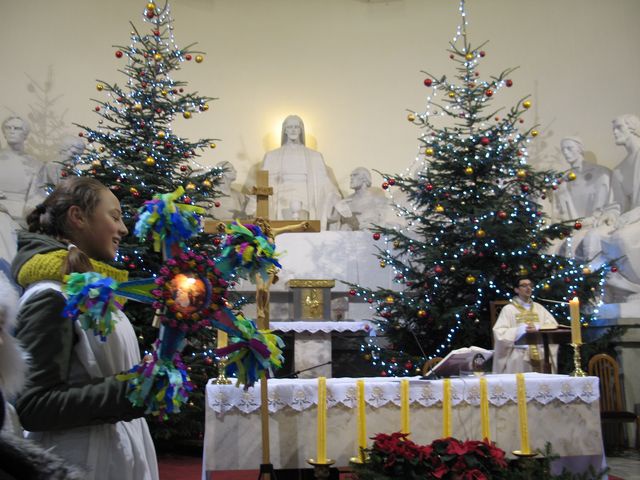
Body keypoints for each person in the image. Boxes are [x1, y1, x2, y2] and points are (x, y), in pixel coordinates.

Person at [11, 177, 158, 480]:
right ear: (78, 217)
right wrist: (133, 389)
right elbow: (34, 405)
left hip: (112, 455)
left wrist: (144, 375)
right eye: (114, 216)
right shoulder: (51, 295)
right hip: (79, 462)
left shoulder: (94, 291)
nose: (123, 229)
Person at [262, 115, 340, 230]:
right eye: (289, 127)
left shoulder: (315, 156)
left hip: (306, 193)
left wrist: (335, 198)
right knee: (282, 225)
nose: (293, 130)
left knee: (305, 226)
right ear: (285, 131)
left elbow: (324, 182)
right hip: (282, 194)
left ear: (301, 130)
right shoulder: (272, 156)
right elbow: (264, 182)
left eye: (296, 127)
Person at [0, 116, 48, 263]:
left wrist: (24, 215)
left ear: (25, 134)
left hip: (19, 214)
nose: (12, 131)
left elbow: (37, 196)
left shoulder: (35, 165)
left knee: (3, 223)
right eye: (9, 128)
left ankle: (6, 273)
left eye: (17, 128)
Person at [492, 277, 558, 374]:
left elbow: (553, 326)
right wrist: (521, 329)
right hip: (518, 355)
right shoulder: (508, 309)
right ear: (516, 289)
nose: (528, 288)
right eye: (524, 285)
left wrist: (538, 328)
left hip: (541, 355)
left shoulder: (539, 308)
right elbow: (499, 333)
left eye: (530, 285)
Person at [253, 217, 309, 326]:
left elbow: (287, 228)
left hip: (270, 266)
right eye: (258, 225)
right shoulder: (253, 235)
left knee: (265, 290)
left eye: (262, 224)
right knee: (259, 288)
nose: (260, 227)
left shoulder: (272, 232)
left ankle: (263, 309)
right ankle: (259, 309)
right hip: (258, 265)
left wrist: (300, 225)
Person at [553, 137, 612, 221]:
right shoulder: (563, 181)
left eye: (569, 148)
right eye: (563, 150)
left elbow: (603, 203)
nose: (565, 152)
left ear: (580, 149)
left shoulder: (600, 173)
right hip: (572, 226)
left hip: (595, 223)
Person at [328, 167, 390, 231]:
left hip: (371, 238)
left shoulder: (380, 201)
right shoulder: (345, 202)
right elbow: (334, 222)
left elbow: (386, 224)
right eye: (351, 176)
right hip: (348, 238)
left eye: (355, 175)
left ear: (365, 178)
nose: (351, 178)